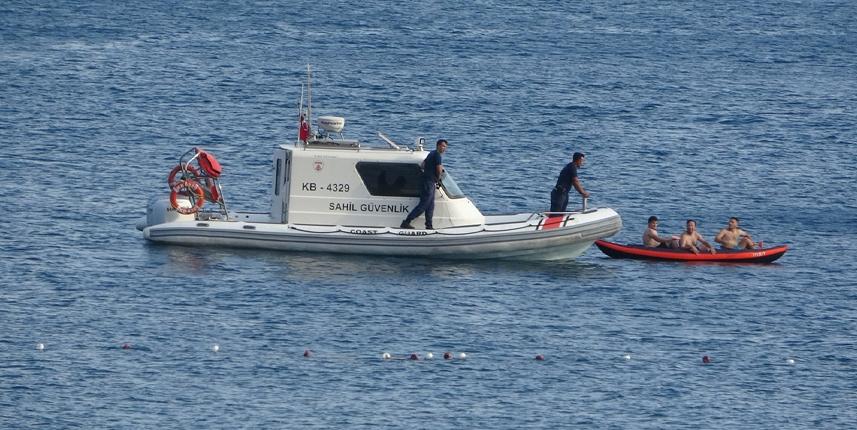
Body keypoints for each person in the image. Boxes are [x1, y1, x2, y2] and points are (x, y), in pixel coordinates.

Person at [400, 139, 448, 230]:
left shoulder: (431, 153)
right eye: (442, 146)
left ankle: (429, 225)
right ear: (438, 145)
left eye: (445, 147)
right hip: (429, 182)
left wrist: (428, 172)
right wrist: (438, 177)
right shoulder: (437, 155)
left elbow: (422, 165)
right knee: (424, 204)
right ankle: (406, 222)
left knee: (430, 205)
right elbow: (438, 169)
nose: (444, 148)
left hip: (428, 181)